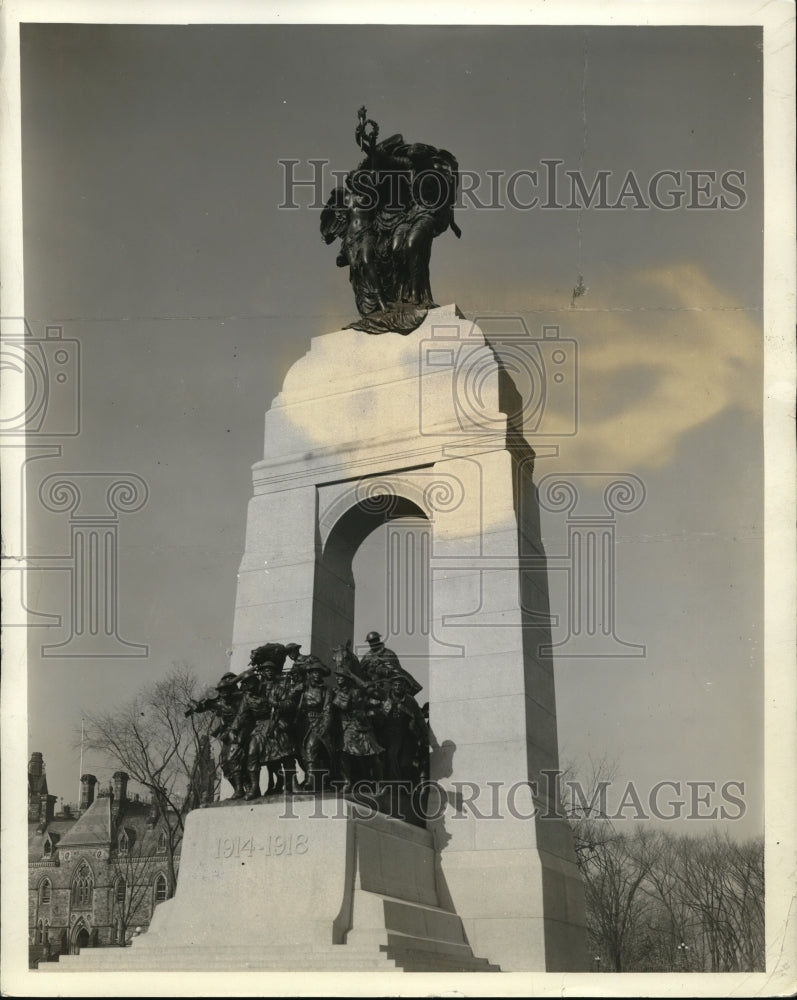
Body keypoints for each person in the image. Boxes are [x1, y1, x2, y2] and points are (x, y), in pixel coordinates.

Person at [185, 672, 247, 800]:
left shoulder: (242, 697)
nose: (225, 691)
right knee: (225, 764)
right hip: (227, 736)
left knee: (236, 761)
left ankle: (245, 788)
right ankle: (239, 790)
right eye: (223, 689)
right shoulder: (218, 701)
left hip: (241, 732)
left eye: (229, 685)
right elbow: (199, 707)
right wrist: (193, 703)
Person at [332, 670, 383, 793]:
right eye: (337, 676)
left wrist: (363, 683)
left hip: (363, 726)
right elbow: (341, 706)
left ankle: (379, 784)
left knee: (374, 757)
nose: (338, 678)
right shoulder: (336, 692)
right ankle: (347, 782)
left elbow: (378, 696)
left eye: (341, 676)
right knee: (344, 755)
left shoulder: (358, 691)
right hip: (347, 726)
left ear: (348, 679)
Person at [295, 658, 335, 794]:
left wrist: (325, 727)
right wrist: (296, 690)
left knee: (311, 748)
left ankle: (311, 782)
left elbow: (328, 709)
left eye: (319, 672)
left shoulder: (326, 690)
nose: (316, 674)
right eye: (314, 672)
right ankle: (315, 779)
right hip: (304, 724)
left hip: (318, 723)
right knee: (303, 753)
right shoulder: (302, 689)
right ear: (309, 674)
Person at [359, 631, 422, 696]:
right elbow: (360, 672)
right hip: (371, 685)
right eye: (370, 642)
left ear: (378, 640)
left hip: (387, 685)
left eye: (374, 641)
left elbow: (397, 673)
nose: (372, 643)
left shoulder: (389, 654)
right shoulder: (367, 657)